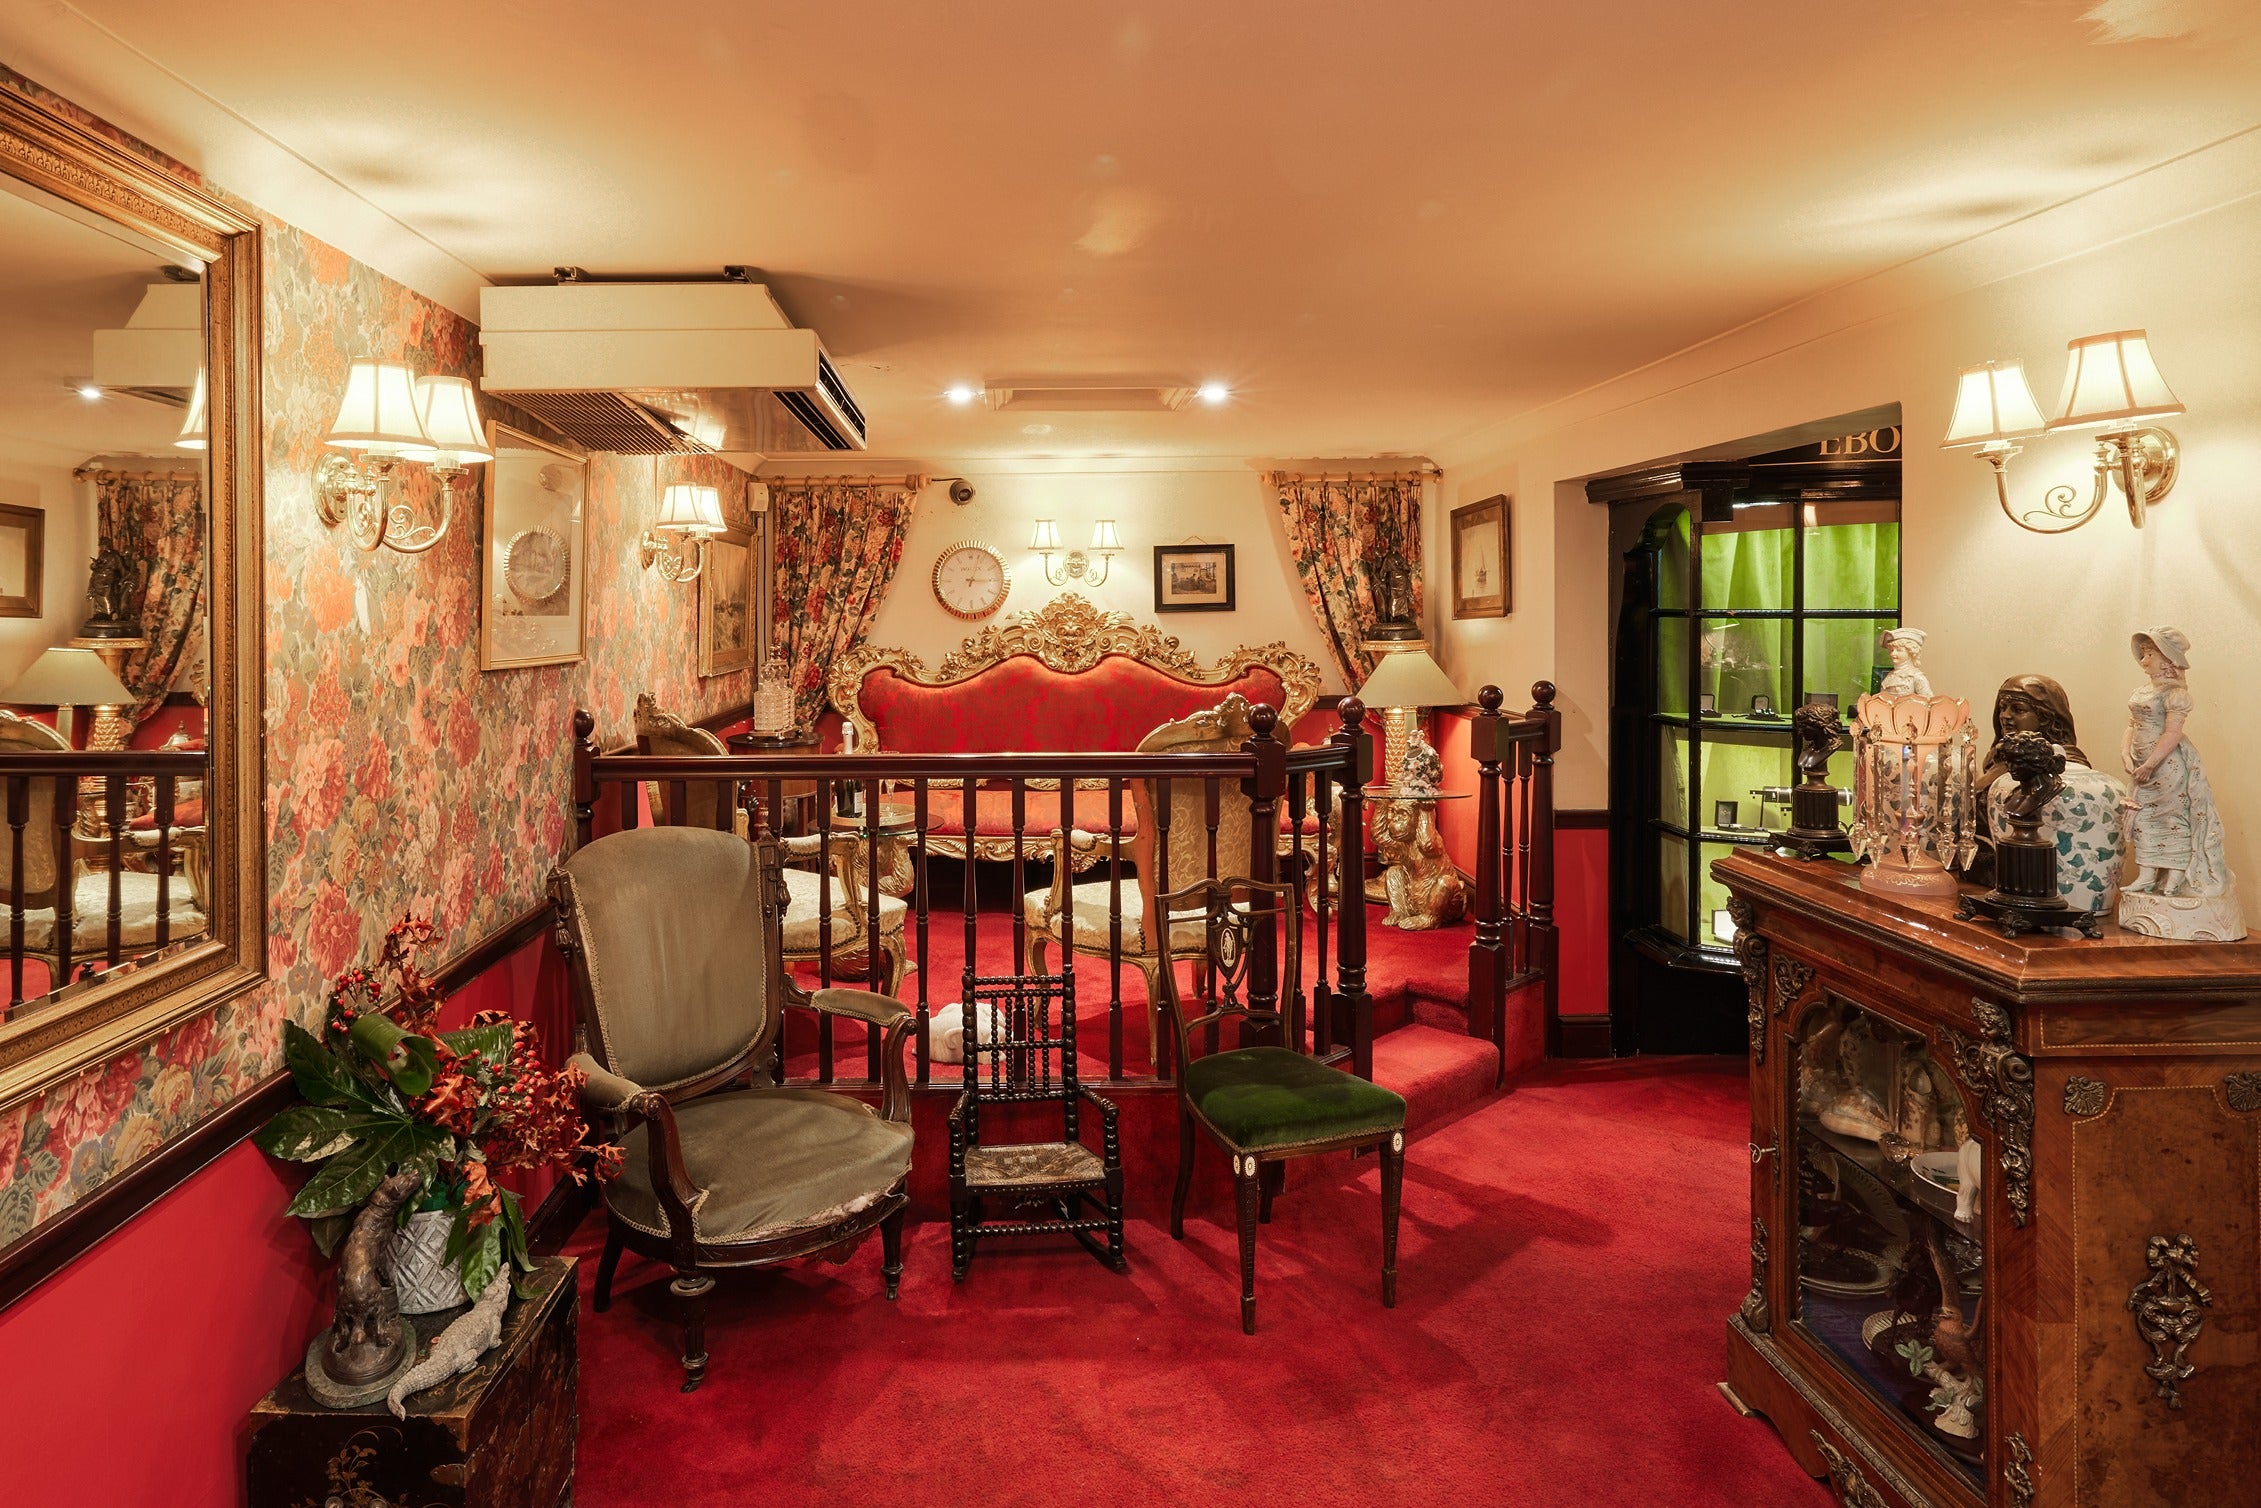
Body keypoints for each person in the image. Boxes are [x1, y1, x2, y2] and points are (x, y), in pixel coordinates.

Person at [2123, 627, 2231, 897]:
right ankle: (2147, 874)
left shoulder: (2174, 695)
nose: (2144, 660)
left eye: (2150, 654)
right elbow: (2132, 725)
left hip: (2166, 766)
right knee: (2144, 816)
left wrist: (2150, 764)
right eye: (2144, 654)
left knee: (2172, 817)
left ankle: (2175, 875)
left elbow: (2173, 733)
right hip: (2140, 764)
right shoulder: (2141, 692)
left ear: (2168, 660)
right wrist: (2126, 754)